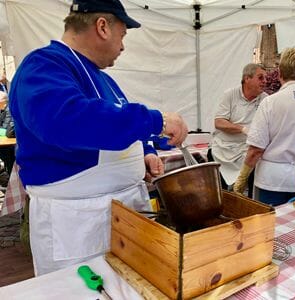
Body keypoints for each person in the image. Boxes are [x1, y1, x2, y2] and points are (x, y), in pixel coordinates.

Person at [8, 0, 188, 276]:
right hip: (79, 226)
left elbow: (117, 122)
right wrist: (158, 120)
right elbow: (67, 121)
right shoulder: (44, 65)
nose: (123, 46)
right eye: (123, 35)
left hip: (121, 214)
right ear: (103, 26)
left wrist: (146, 151)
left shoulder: (104, 80)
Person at [233, 48, 295, 206]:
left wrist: (242, 178)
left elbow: (255, 150)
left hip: (272, 181)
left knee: (268, 226)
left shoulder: (270, 103)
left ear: (280, 73)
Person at [208, 63, 267, 197]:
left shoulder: (265, 100)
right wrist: (243, 129)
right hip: (223, 147)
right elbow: (219, 122)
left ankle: (252, 203)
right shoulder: (230, 95)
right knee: (214, 160)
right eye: (260, 77)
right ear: (247, 78)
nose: (264, 82)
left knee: (257, 163)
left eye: (265, 78)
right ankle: (221, 203)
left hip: (246, 149)